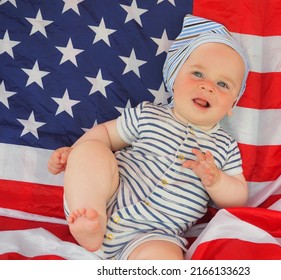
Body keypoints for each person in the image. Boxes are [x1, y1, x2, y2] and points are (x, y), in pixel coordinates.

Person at [48, 14, 251, 260]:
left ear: (233, 104)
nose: (208, 86)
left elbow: (239, 196)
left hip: (155, 234)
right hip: (107, 198)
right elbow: (105, 135)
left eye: (223, 84)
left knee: (164, 258)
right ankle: (89, 221)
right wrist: (76, 153)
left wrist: (216, 181)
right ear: (173, 79)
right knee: (91, 150)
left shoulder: (224, 146)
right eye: (198, 74)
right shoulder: (148, 114)